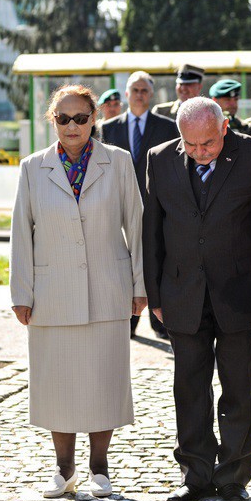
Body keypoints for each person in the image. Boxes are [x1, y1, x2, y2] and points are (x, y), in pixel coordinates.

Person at [143, 97, 251, 501]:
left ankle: (234, 476)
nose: (201, 152)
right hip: (181, 292)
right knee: (189, 388)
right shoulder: (159, 159)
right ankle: (195, 474)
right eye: (191, 145)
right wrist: (155, 294)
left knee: (238, 387)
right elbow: (151, 228)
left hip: (240, 293)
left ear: (224, 127)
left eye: (208, 142)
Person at [10, 85, 146, 499]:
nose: (73, 126)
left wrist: (141, 286)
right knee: (58, 382)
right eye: (64, 118)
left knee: (104, 379)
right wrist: (21, 292)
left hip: (108, 286)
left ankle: (99, 468)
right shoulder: (33, 168)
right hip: (52, 292)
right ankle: (63, 468)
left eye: (81, 118)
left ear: (94, 120)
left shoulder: (119, 162)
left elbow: (136, 226)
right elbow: (20, 233)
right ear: (53, 121)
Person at [101, 71, 177, 339]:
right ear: (126, 94)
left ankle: (159, 322)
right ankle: (128, 321)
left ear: (151, 94)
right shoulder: (108, 128)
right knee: (125, 263)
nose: (140, 95)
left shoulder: (167, 127)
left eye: (145, 90)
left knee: (156, 261)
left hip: (156, 206)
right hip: (118, 208)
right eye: (135, 90)